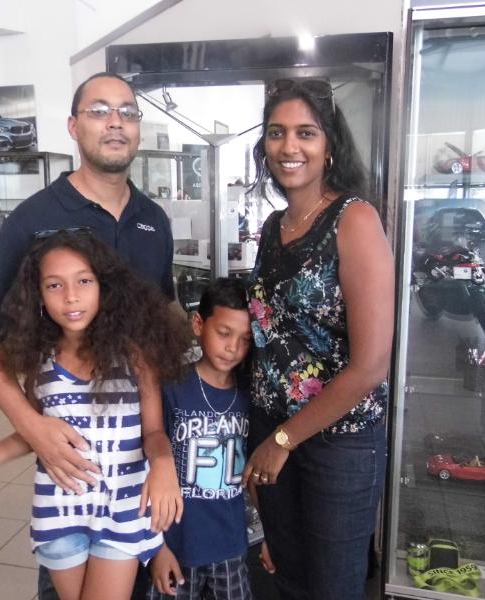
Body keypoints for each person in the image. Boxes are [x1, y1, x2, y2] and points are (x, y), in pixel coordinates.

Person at [0, 73, 175, 600]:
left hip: (136, 472)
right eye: (100, 111)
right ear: (74, 126)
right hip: (70, 485)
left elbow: (164, 318)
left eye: (127, 112)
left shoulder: (154, 220)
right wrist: (31, 426)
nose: (116, 122)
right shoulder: (34, 218)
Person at [0, 231, 190, 600]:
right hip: (60, 512)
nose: (71, 296)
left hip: (122, 511)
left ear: (104, 287)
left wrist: (164, 465)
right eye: (54, 285)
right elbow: (34, 432)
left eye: (84, 281)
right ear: (38, 295)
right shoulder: (41, 363)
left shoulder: (135, 357)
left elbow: (153, 432)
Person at [240, 78, 394, 600]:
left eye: (306, 132)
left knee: (332, 588)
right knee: (286, 578)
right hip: (271, 431)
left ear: (329, 145)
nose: (290, 146)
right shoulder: (271, 227)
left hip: (338, 442)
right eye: (277, 132)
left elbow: (371, 365)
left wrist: (283, 441)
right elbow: (270, 334)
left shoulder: (354, 220)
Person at [146, 277, 254, 600]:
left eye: (245, 339)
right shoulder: (172, 387)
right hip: (176, 546)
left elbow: (255, 474)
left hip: (230, 546)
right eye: (224, 333)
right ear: (198, 324)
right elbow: (147, 472)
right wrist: (156, 548)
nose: (233, 347)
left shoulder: (250, 394)